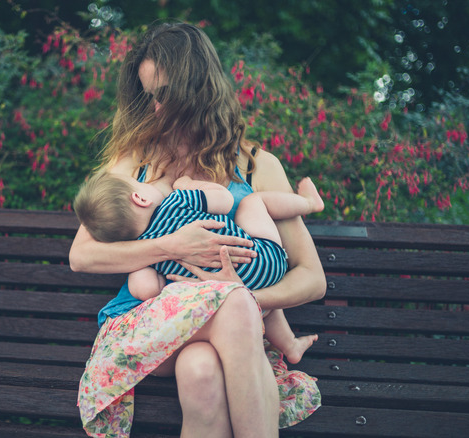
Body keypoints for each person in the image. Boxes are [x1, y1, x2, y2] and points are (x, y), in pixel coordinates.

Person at [70, 21, 326, 438]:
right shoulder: (135, 162)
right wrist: (173, 246)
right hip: (145, 327)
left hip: (222, 333)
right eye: (148, 96)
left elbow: (312, 279)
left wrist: (230, 294)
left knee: (201, 369)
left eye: (164, 95)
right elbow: (81, 256)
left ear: (199, 87)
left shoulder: (258, 166)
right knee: (233, 308)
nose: (154, 109)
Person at [73, 171, 323, 363]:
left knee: (253, 298)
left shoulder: (144, 252)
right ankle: (310, 204)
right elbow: (224, 200)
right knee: (253, 202)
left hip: (231, 293)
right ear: (140, 197)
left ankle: (290, 346)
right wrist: (189, 184)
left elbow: (146, 289)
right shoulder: (176, 200)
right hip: (265, 259)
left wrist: (150, 267)